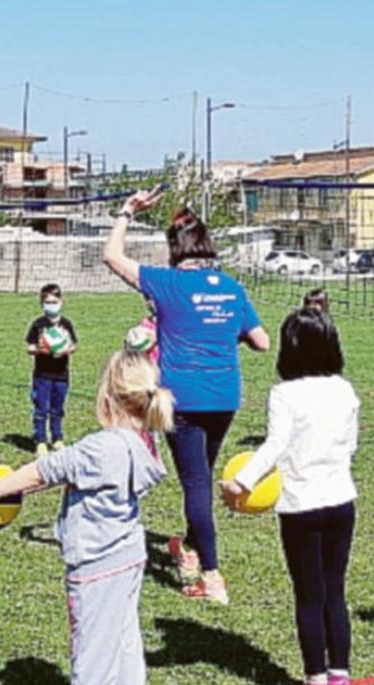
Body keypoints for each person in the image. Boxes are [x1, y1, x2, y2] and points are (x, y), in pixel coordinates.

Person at [0, 350, 171, 685]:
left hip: (95, 563)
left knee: (92, 646)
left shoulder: (99, 448)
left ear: (108, 396)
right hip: (129, 556)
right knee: (123, 641)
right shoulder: (145, 443)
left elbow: (44, 471)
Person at [103, 187, 270, 605]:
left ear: (174, 248)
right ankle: (191, 548)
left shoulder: (167, 282)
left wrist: (126, 211)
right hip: (225, 398)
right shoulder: (231, 287)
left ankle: (209, 576)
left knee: (196, 483)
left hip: (183, 400)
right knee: (200, 478)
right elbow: (263, 342)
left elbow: (112, 256)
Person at [219, 308, 360, 685]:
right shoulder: (345, 390)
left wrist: (239, 483)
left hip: (301, 507)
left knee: (309, 595)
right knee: (334, 593)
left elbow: (274, 446)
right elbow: (349, 445)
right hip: (341, 502)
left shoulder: (285, 394)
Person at [26, 283, 79, 457]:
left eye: (54, 301)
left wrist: (65, 350)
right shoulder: (38, 325)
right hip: (42, 375)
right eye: (48, 302)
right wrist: (42, 350)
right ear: (42, 304)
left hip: (61, 375)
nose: (51, 305)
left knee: (58, 408)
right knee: (41, 408)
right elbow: (29, 347)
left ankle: (57, 439)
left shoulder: (65, 324)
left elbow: (73, 345)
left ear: (61, 302)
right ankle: (40, 441)